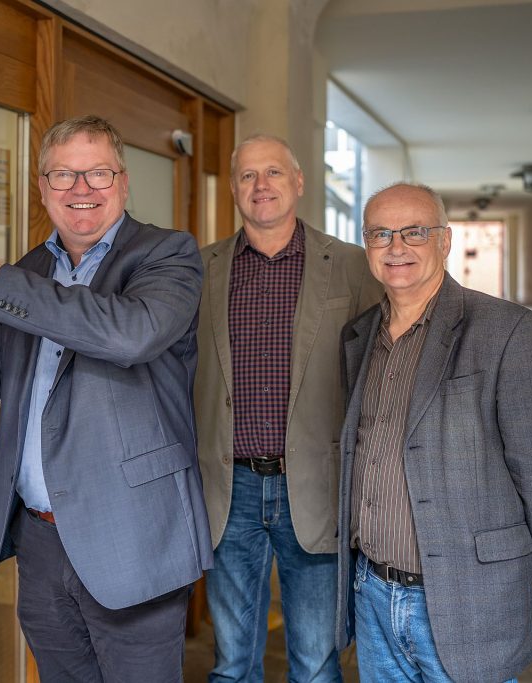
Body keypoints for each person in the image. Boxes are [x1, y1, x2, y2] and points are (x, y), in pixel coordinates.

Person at [0, 115, 213, 682]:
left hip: (132, 535)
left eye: (98, 173)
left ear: (123, 182)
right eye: (64, 176)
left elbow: (129, 334)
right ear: (43, 188)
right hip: (42, 539)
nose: (81, 190)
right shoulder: (30, 270)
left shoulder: (167, 256)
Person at [334, 183, 532, 683]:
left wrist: (502, 557)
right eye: (380, 233)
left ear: (445, 241)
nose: (396, 246)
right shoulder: (360, 335)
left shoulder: (507, 330)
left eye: (414, 231)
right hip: (374, 594)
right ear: (366, 246)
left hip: (465, 596)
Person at [195, 134, 381, 682]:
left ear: (299, 182)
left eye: (273, 172)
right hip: (230, 490)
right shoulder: (200, 270)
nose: (261, 186)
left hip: (315, 487)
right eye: (248, 175)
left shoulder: (351, 266)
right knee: (231, 664)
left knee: (317, 665)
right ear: (233, 189)